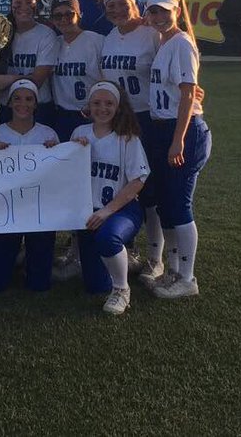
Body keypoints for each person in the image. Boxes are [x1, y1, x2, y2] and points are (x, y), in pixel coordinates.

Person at [144, 0, 212, 299]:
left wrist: (178, 140)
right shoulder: (163, 43)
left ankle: (188, 278)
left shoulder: (182, 43)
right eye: (153, 11)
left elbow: (187, 95)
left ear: (177, 11)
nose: (158, 17)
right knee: (166, 206)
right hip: (162, 128)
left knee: (179, 207)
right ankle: (172, 270)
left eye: (163, 11)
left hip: (181, 130)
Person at [101, 0, 167, 285]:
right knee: (119, 185)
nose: (116, 9)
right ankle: (126, 247)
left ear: (134, 4)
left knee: (149, 191)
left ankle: (156, 258)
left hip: (147, 117)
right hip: (118, 119)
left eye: (122, 3)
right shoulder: (108, 38)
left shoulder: (152, 35)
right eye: (110, 5)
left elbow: (173, 69)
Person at [70, 81, 149, 315]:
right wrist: (69, 150)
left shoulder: (127, 138)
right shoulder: (79, 134)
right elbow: (64, 172)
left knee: (108, 239)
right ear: (89, 105)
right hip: (89, 213)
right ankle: (123, 265)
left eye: (108, 103)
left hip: (120, 210)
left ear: (118, 106)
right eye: (96, 103)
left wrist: (107, 211)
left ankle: (122, 289)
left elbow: (138, 181)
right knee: (95, 286)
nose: (102, 108)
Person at [0, 80, 60, 293]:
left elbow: (58, 173)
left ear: (36, 104)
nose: (22, 104)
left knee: (39, 285)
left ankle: (30, 262)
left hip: (38, 208)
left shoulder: (48, 134)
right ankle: (2, 260)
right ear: (9, 102)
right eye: (17, 98)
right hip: (6, 209)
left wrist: (54, 151)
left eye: (28, 99)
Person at [0, 0, 58, 127]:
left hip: (38, 107)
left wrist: (9, 79)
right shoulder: (2, 33)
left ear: (36, 5)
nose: (23, 7)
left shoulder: (46, 34)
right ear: (11, 6)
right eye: (18, 3)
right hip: (8, 105)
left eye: (29, 2)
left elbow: (38, 80)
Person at [48, 0, 104, 142]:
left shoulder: (97, 41)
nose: (64, 19)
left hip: (91, 114)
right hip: (61, 115)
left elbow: (108, 79)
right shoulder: (53, 43)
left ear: (79, 14)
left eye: (69, 14)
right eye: (57, 16)